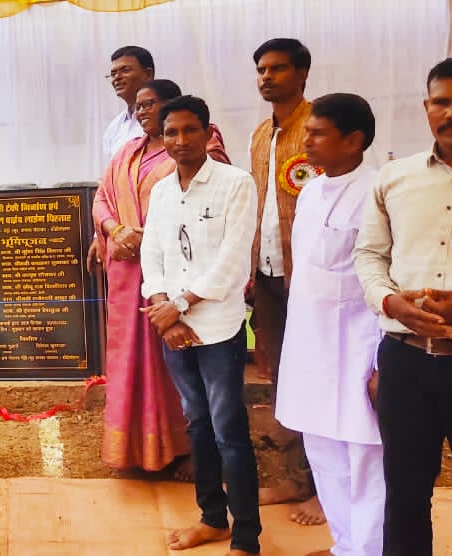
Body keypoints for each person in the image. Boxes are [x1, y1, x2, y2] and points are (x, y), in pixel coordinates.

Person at [354, 56, 452, 556]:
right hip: (405, 362)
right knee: (403, 498)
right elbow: (369, 255)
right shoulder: (394, 178)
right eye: (442, 102)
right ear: (427, 108)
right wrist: (389, 301)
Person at [140, 95, 260, 556]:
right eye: (171, 132)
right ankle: (212, 519)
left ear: (209, 134)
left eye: (191, 130)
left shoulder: (235, 183)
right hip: (173, 328)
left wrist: (180, 305)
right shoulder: (162, 191)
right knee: (197, 426)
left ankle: (246, 536)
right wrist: (162, 311)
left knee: (229, 430)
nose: (181, 140)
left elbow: (233, 261)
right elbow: (152, 254)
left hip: (218, 328)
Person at [92, 79, 228, 474]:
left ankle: (180, 447)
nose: (142, 112)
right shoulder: (127, 152)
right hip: (126, 276)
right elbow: (102, 198)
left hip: (175, 274)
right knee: (129, 358)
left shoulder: (203, 150)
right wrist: (115, 230)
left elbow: (204, 205)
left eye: (150, 104)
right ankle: (131, 449)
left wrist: (145, 236)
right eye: (138, 106)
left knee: (174, 359)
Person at [274, 93, 384, 556]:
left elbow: (387, 278)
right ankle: (344, 546)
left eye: (318, 133)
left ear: (353, 140)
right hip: (310, 346)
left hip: (359, 348)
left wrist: (382, 363)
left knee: (365, 461)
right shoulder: (311, 191)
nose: (307, 141)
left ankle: (371, 550)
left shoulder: (377, 193)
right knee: (322, 452)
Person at [248, 37, 323, 524]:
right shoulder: (260, 134)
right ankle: (295, 478)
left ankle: (326, 487)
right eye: (261, 69)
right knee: (281, 376)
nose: (266, 77)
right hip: (269, 275)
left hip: (314, 277)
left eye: (277, 68)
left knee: (322, 376)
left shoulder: (319, 126)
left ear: (302, 74)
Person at [102, 46, 155, 163]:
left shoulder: (165, 118)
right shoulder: (114, 127)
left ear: (148, 74)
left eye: (125, 70)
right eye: (113, 74)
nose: (117, 78)